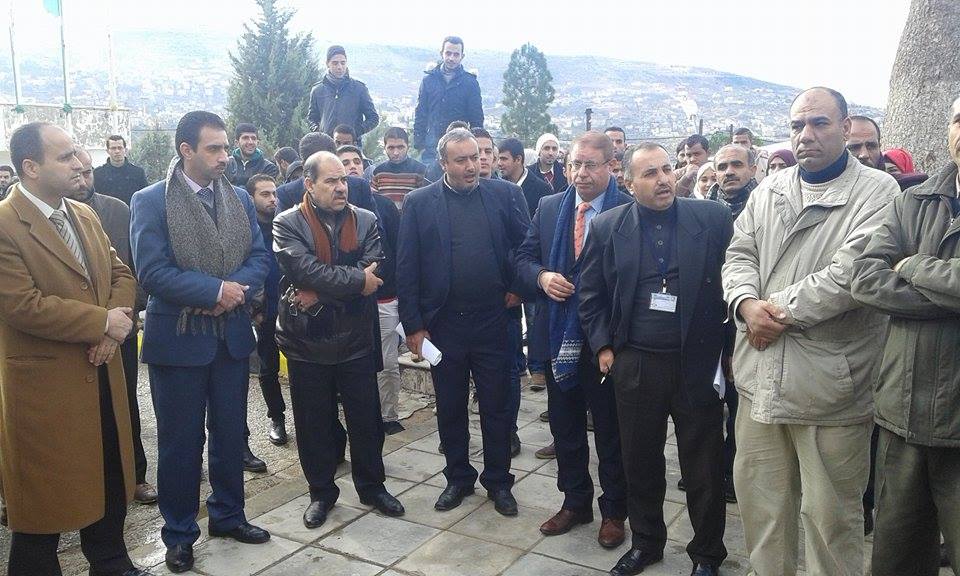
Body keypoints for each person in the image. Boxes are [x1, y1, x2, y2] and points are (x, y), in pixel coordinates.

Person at [722, 87, 899, 576]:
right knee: (762, 512)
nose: (806, 135)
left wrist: (768, 313)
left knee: (830, 521)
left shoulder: (879, 192)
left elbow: (848, 278)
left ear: (845, 127)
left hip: (829, 387)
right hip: (759, 380)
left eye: (819, 123)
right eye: (797, 125)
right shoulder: (769, 190)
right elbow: (739, 255)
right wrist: (744, 303)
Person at [0, 122, 148, 576]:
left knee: (109, 474)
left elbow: (121, 275)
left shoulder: (82, 214)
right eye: (65, 157)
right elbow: (22, 305)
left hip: (102, 370)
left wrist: (112, 331)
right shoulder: (5, 223)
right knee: (44, 501)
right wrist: (102, 322)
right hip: (46, 388)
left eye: (77, 153)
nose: (80, 163)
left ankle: (112, 562)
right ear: (31, 167)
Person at [579, 142, 733, 576]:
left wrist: (729, 351)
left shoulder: (712, 218)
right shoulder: (607, 227)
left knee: (703, 466)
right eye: (650, 173)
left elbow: (736, 281)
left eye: (667, 169)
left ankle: (707, 555)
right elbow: (590, 295)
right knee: (640, 462)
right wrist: (604, 347)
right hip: (636, 364)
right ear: (629, 183)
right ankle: (647, 543)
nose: (663, 179)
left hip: (696, 362)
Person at [130, 111, 271, 574]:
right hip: (179, 341)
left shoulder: (238, 198)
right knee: (180, 443)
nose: (224, 157)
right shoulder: (151, 200)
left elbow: (259, 257)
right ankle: (179, 533)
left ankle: (228, 516)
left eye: (226, 147)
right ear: (186, 150)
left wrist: (233, 291)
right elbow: (152, 272)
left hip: (230, 339)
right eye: (214, 148)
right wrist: (214, 291)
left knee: (230, 434)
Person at [850, 94, 960, 576]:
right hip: (903, 412)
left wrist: (914, 266)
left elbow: (892, 272)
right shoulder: (912, 201)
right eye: (959, 119)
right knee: (898, 558)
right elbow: (864, 280)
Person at [397, 128, 529, 516]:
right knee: (450, 406)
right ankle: (458, 478)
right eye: (462, 160)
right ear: (443, 163)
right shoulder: (419, 203)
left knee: (496, 406)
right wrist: (413, 327)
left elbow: (527, 246)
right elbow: (407, 266)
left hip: (494, 320)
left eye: (476, 157)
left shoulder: (505, 195)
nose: (472, 166)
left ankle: (499, 481)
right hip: (445, 326)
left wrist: (519, 287)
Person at [274, 150, 405, 528]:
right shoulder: (287, 223)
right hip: (307, 341)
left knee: (366, 419)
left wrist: (320, 291)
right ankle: (321, 493)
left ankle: (372, 486)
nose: (341, 187)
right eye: (331, 181)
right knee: (313, 423)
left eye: (344, 179)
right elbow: (303, 270)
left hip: (356, 338)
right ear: (309, 184)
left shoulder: (365, 220)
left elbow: (374, 271)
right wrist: (354, 282)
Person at [516, 131, 632, 550]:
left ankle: (614, 510)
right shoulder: (550, 207)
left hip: (607, 345)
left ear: (611, 166)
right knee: (565, 428)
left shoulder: (627, 210)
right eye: (574, 165)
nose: (581, 173)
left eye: (590, 165)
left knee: (610, 432)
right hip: (558, 341)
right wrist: (543, 276)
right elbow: (523, 260)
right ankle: (575, 501)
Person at [71, 147, 157, 506]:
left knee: (123, 405)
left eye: (87, 172)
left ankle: (135, 475)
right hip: (71, 334)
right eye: (75, 172)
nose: (82, 180)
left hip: (120, 327)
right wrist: (97, 325)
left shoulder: (116, 211)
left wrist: (115, 324)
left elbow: (130, 271)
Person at [337, 145, 405, 435]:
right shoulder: (329, 211)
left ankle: (388, 415)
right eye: (345, 163)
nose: (352, 166)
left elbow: (398, 251)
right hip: (346, 300)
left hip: (384, 297)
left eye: (356, 161)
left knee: (387, 362)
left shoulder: (385, 207)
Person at [245, 174, 288, 447]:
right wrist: (255, 309)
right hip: (266, 310)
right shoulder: (247, 231)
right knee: (268, 366)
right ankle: (277, 418)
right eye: (264, 194)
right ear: (251, 198)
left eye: (274, 193)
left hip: (293, 308)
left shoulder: (285, 224)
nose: (272, 199)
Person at [413, 36, 484, 164]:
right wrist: (419, 143)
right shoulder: (428, 80)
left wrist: (475, 145)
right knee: (429, 176)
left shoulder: (470, 83)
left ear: (462, 56)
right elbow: (421, 112)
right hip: (431, 147)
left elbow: (476, 117)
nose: (451, 58)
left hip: (460, 146)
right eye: (448, 53)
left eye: (456, 54)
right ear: (442, 53)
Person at [276, 132, 378, 216]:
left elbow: (375, 231)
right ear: (304, 166)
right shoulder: (288, 195)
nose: (340, 188)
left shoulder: (360, 188)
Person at [308, 45, 379, 141]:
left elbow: (373, 118)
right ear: (327, 64)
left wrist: (355, 133)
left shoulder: (359, 89)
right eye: (335, 63)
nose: (339, 67)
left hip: (352, 145)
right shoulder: (317, 90)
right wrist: (319, 132)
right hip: (327, 145)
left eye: (343, 63)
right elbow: (311, 118)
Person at [368, 127, 428, 208]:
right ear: (385, 148)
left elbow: (425, 201)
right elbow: (373, 201)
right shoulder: (378, 172)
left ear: (408, 147)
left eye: (400, 147)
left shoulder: (420, 170)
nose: (396, 152)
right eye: (391, 148)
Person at [92, 135, 150, 206]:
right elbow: (94, 199)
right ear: (107, 151)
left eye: (120, 148)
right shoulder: (98, 174)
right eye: (113, 148)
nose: (117, 151)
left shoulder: (138, 173)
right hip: (107, 212)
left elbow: (145, 197)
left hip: (131, 212)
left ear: (125, 150)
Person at [225, 123, 279, 188]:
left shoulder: (268, 167)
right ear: (237, 143)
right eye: (245, 138)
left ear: (257, 142)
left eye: (253, 138)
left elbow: (264, 191)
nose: (250, 142)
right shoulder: (226, 164)